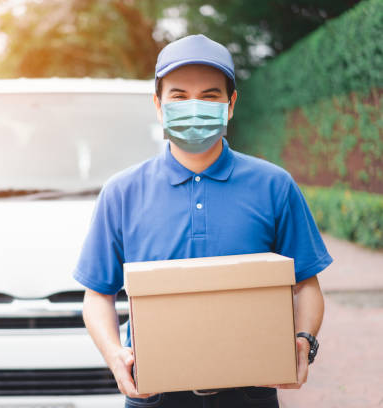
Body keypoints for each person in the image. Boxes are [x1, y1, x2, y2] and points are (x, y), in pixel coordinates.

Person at [72, 34, 333, 408]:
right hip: (156, 394)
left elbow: (306, 283)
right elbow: (97, 293)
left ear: (230, 105)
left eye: (210, 96)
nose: (194, 107)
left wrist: (303, 340)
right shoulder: (122, 192)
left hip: (251, 393)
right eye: (179, 96)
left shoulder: (274, 186)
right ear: (159, 105)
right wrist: (115, 354)